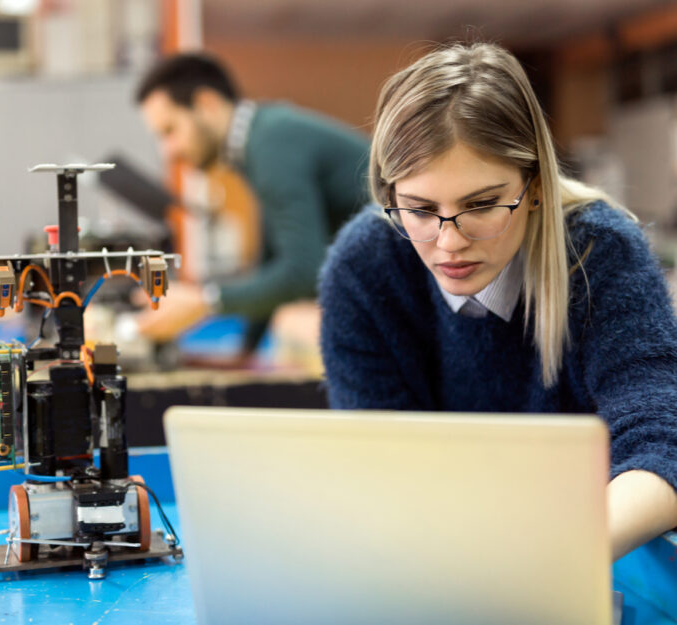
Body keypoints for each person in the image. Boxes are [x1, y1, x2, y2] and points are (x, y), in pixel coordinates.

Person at [319, 42, 677, 561]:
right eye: (419, 210)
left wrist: (553, 562)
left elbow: (663, 440)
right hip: (434, 559)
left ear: (534, 186)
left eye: (482, 205)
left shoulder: (600, 253)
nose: (449, 242)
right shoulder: (363, 271)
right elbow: (383, 469)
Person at [135, 53, 370, 351]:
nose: (168, 152)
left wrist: (205, 301)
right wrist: (244, 353)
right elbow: (271, 260)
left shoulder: (271, 143)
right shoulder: (261, 138)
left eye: (170, 131)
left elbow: (304, 272)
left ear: (206, 104)